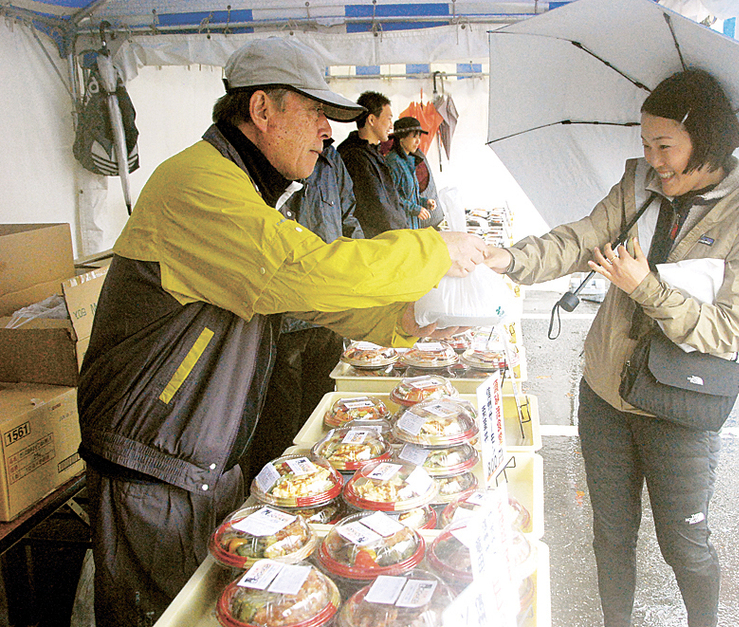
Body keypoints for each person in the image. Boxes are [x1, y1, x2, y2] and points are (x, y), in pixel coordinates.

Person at [76, 37, 486, 627]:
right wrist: (432, 250)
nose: (327, 132)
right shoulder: (196, 185)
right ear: (263, 110)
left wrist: (404, 320)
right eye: (317, 113)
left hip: (195, 457)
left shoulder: (244, 188)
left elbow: (304, 302)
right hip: (155, 466)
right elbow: (303, 275)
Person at [485, 69, 739, 627]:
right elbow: (580, 238)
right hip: (606, 396)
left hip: (680, 406)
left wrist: (644, 287)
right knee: (611, 532)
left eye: (664, 146)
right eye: (645, 144)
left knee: (685, 542)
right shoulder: (639, 187)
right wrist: (507, 258)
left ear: (708, 141)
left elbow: (730, 331)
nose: (653, 159)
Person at [239, 137, 363, 484]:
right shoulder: (265, 159)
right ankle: (272, 496)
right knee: (278, 423)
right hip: (281, 321)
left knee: (322, 415)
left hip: (328, 313)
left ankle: (317, 488)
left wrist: (355, 284)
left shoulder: (331, 160)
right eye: (314, 111)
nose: (323, 125)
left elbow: (347, 218)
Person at [337, 91, 407, 237]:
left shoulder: (373, 152)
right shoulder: (354, 156)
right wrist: (403, 235)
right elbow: (376, 207)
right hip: (375, 241)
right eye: (388, 119)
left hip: (388, 237)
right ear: (371, 120)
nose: (391, 126)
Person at [384, 116, 437, 229]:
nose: (418, 141)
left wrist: (424, 202)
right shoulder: (393, 162)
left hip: (411, 226)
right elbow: (391, 197)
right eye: (414, 137)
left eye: (419, 137)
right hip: (400, 227)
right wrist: (415, 209)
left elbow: (408, 195)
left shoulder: (408, 160)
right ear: (401, 138)